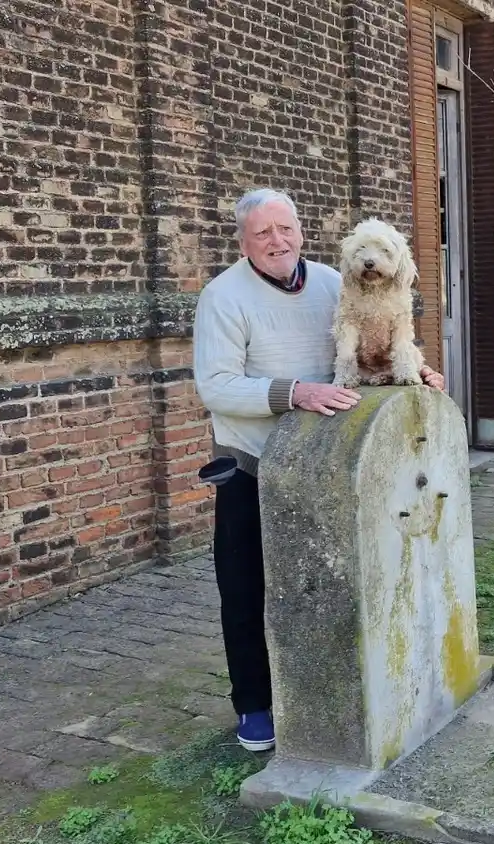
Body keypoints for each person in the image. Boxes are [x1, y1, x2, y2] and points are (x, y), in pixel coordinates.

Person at [193, 188, 445, 752]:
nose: (277, 241)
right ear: (243, 241)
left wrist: (417, 370)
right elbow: (215, 386)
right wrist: (296, 392)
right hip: (254, 464)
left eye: (285, 228)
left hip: (328, 461)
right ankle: (254, 705)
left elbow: (379, 339)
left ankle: (330, 693)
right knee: (246, 588)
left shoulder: (337, 281)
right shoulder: (223, 297)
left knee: (329, 582)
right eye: (262, 233)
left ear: (301, 232)